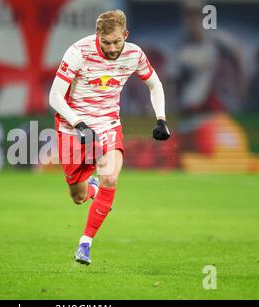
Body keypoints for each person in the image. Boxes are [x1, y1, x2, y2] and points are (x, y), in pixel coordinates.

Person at [48, 9, 170, 265]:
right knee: (78, 197)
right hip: (73, 126)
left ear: (126, 34)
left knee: (111, 177)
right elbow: (55, 97)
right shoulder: (78, 52)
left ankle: (85, 244)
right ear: (97, 36)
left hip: (108, 124)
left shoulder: (134, 54)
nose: (112, 48)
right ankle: (92, 188)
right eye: (106, 42)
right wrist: (79, 123)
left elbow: (154, 85)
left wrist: (161, 119)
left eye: (117, 41)